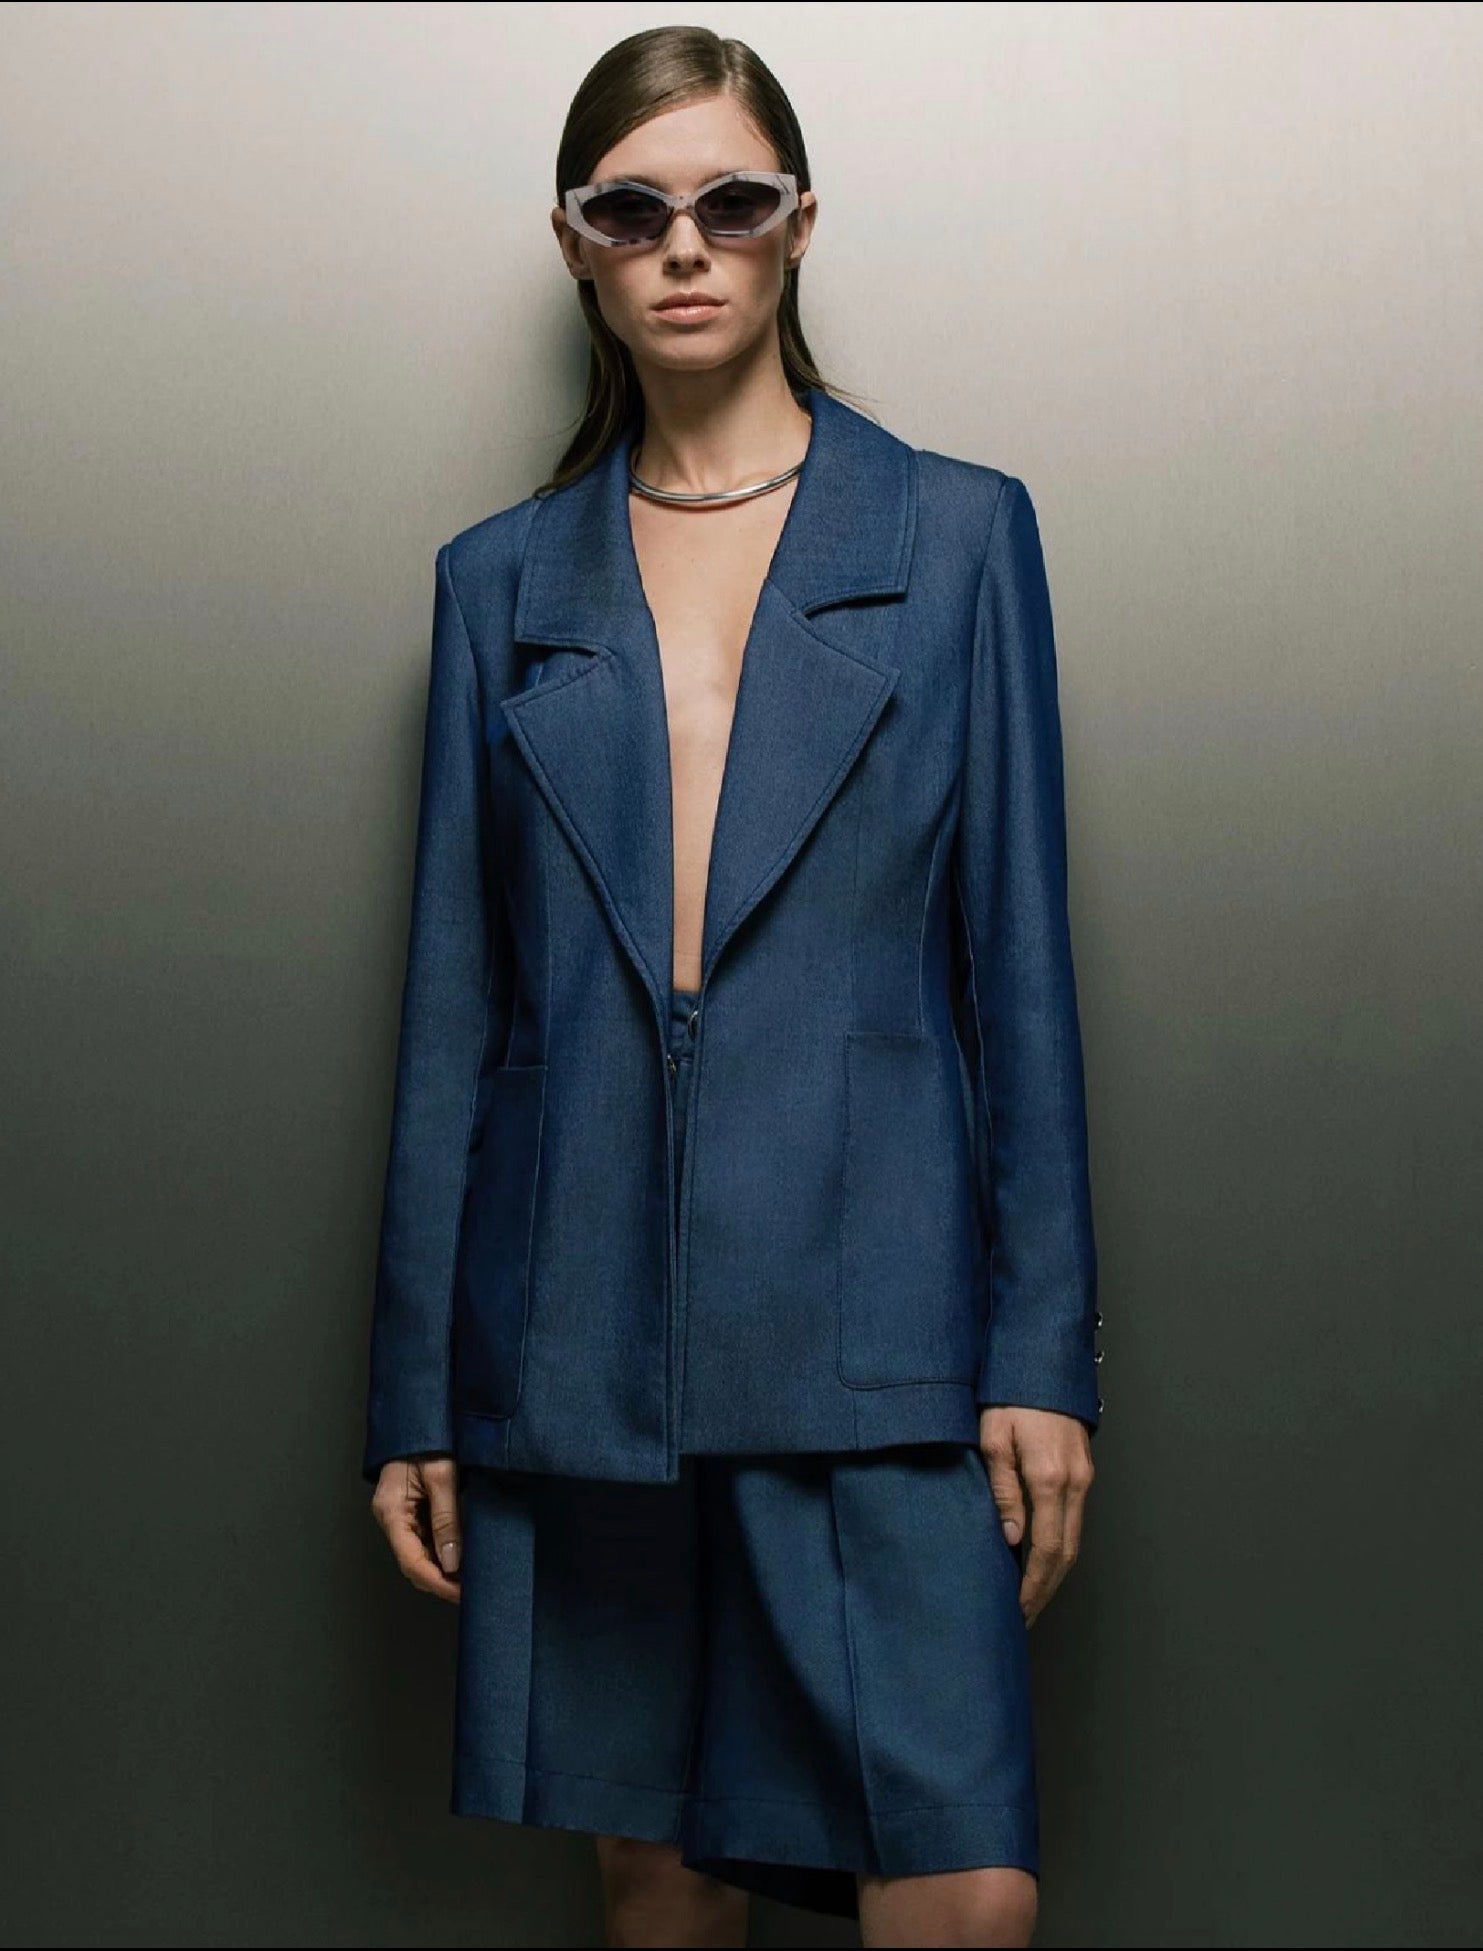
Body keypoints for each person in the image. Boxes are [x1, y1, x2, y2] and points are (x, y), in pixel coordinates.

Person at [363, 24, 1103, 1950]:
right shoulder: (497, 583)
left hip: (874, 1318)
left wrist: (1039, 1354)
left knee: (959, 1889)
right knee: (660, 1882)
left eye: (731, 201)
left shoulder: (957, 536)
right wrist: (417, 1391)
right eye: (632, 210)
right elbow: (456, 1013)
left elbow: (1018, 976)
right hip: (578, 1325)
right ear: (576, 246)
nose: (684, 246)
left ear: (798, 224)